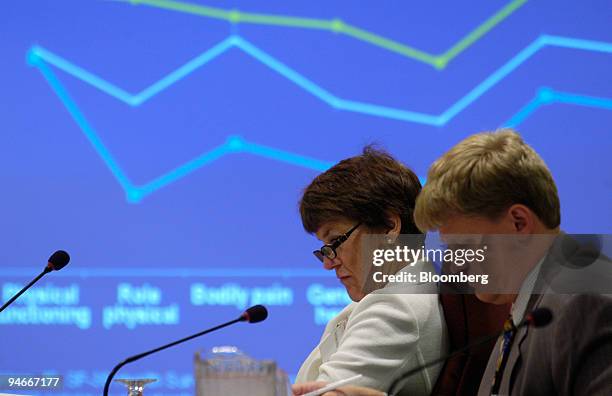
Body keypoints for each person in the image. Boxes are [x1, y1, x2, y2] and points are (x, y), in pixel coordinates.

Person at [297, 129, 612, 395]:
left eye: (464, 246)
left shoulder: (585, 300)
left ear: (518, 223)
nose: (458, 265)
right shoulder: (527, 306)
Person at [292, 146, 448, 395]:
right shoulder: (396, 293)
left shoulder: (396, 308)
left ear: (389, 227)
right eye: (324, 249)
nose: (328, 263)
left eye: (334, 242)